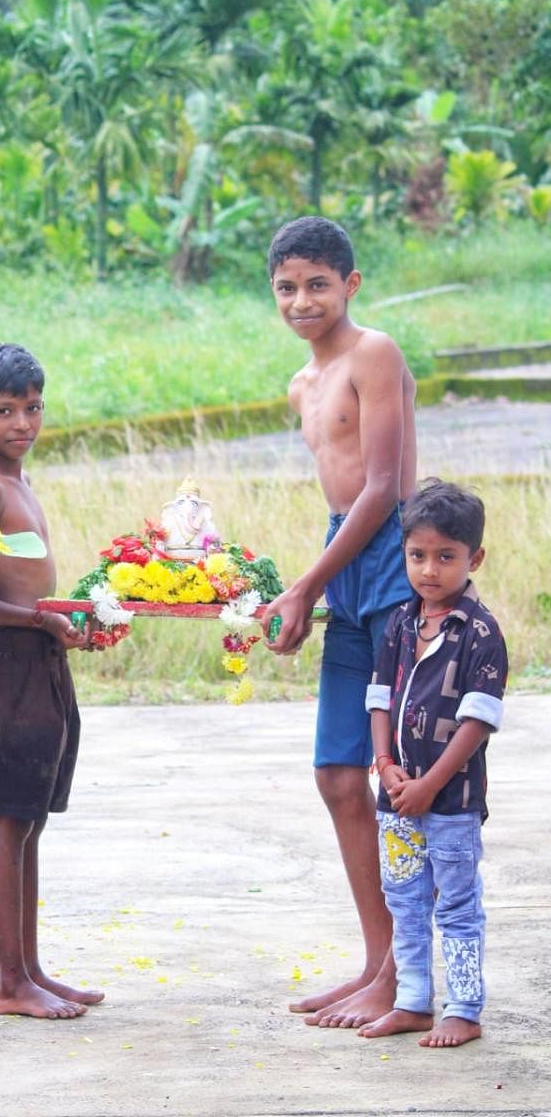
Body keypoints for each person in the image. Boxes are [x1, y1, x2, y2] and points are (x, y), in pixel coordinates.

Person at [260, 215, 417, 1028]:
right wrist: (310, 593)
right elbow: (337, 499)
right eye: (286, 287)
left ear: (350, 285)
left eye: (317, 284)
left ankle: (405, 980)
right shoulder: (301, 385)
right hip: (342, 561)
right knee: (334, 774)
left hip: (393, 565)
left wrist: (303, 586)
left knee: (398, 783)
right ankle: (375, 964)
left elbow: (384, 485)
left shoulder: (374, 354)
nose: (301, 300)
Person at [0, 343, 105, 1019]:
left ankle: (30, 969)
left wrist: (67, 618)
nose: (21, 423)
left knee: (32, 819)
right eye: (4, 411)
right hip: (9, 664)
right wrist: (38, 623)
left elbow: (27, 586)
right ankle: (8, 982)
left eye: (32, 408)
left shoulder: (19, 480)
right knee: (10, 820)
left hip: (40, 661)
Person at [359, 478, 506, 1047]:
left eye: (446, 557)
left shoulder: (481, 633)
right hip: (395, 800)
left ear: (475, 558)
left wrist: (430, 785)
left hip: (451, 804)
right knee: (405, 900)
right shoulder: (399, 624)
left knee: (458, 905)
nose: (429, 570)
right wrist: (384, 763)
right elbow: (378, 698)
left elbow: (477, 721)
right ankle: (413, 1000)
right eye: (417, 555)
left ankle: (464, 1008)